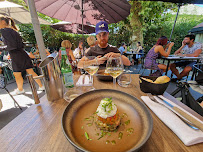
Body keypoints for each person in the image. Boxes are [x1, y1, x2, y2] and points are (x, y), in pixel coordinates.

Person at [0, 15, 44, 95]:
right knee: (29, 71)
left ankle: (20, 89)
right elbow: (20, 44)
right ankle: (41, 86)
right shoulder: (12, 30)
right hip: (21, 54)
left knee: (17, 73)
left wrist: (1, 49)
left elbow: (12, 46)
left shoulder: (4, 31)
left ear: (2, 22)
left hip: (16, 55)